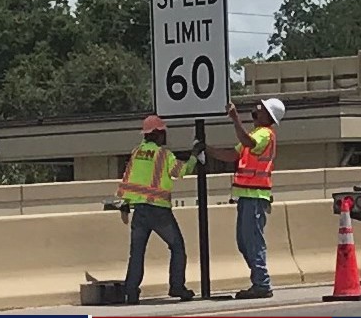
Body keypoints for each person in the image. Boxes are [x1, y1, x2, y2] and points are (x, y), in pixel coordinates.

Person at [116, 115, 202, 305]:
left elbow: (128, 179)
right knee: (177, 247)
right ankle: (177, 286)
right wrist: (194, 156)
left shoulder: (137, 152)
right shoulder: (164, 155)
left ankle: (131, 292)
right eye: (163, 132)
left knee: (137, 252)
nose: (165, 135)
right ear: (157, 134)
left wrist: (125, 202)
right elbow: (181, 171)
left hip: (139, 209)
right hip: (159, 210)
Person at [207, 98, 285, 299]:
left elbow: (247, 143)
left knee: (252, 241)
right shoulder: (254, 134)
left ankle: (262, 283)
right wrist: (207, 150)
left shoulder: (265, 134)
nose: (256, 110)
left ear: (268, 115)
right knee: (244, 242)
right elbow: (232, 155)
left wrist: (235, 119)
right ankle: (259, 280)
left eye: (261, 109)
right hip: (246, 196)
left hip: (255, 196)